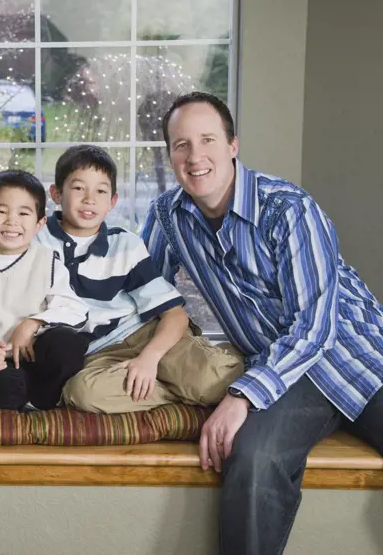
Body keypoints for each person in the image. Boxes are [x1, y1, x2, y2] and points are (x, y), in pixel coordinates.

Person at [142, 91, 383, 555]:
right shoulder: (169, 217)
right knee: (252, 457)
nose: (195, 157)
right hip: (285, 376)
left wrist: (242, 395)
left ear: (233, 145)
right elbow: (140, 292)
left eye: (207, 139)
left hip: (359, 357)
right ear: (170, 154)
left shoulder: (289, 208)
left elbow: (315, 327)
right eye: (181, 145)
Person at [36, 144, 243, 414]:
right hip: (98, 355)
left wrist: (149, 358)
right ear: (56, 194)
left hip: (146, 335)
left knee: (214, 381)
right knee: (81, 393)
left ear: (112, 201)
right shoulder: (37, 243)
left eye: (100, 191)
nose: (89, 199)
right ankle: (179, 389)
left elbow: (174, 315)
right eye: (78, 188)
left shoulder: (125, 245)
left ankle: (208, 368)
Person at [0, 170, 89, 411]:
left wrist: (33, 323)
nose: (12, 221)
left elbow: (75, 310)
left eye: (24, 213)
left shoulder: (46, 261)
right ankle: (21, 396)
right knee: (2, 388)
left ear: (40, 223)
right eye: (1, 211)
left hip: (35, 353)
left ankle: (44, 397)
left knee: (68, 345)